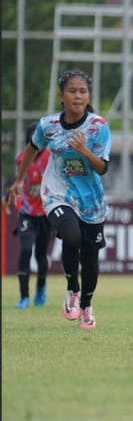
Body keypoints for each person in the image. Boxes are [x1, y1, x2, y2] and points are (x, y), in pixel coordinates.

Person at [8, 69, 111, 329]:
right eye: (72, 91)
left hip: (91, 200)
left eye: (83, 91)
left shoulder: (98, 126)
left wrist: (84, 151)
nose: (78, 96)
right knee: (71, 236)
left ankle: (86, 305)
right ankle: (72, 289)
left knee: (90, 257)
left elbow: (102, 168)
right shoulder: (48, 125)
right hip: (57, 192)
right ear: (61, 96)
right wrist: (19, 180)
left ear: (88, 96)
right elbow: (32, 148)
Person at [4, 123, 53, 308]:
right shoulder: (21, 158)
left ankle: (41, 287)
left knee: (41, 255)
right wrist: (8, 195)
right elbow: (17, 179)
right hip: (26, 212)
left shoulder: (51, 156)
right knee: (25, 250)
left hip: (45, 212)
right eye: (33, 138)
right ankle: (24, 297)